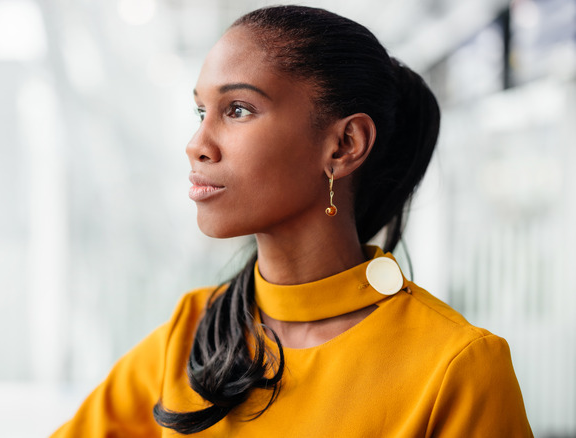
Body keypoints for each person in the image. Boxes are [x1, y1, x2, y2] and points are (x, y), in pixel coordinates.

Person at [52, 5, 532, 437]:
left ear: (344, 146)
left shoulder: (458, 368)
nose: (197, 142)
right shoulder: (189, 335)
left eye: (237, 109)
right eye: (201, 110)